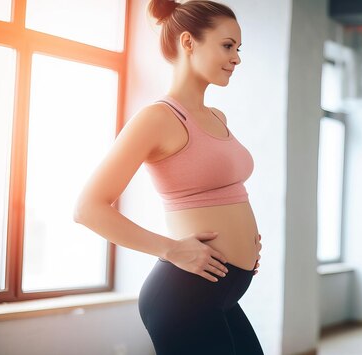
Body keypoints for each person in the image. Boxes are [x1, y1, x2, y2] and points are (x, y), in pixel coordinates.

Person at [73, 1, 264, 354]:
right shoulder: (157, 118)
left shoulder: (217, 116)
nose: (236, 58)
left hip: (220, 293)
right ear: (189, 42)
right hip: (185, 297)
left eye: (238, 49)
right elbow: (87, 208)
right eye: (227, 46)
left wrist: (246, 243)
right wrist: (172, 248)